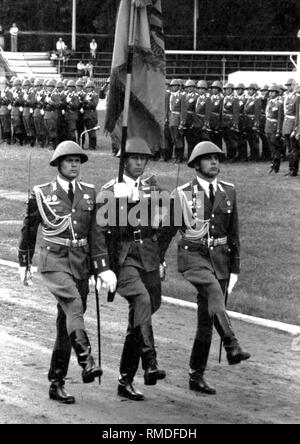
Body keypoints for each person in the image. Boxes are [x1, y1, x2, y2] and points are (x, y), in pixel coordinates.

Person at [18, 141, 115, 404]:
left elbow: (95, 235)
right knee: (74, 302)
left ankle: (56, 381)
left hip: (81, 262)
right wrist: (24, 262)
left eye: (78, 161)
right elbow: (29, 229)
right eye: (69, 161)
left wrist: (101, 268)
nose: (75, 165)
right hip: (54, 260)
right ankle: (87, 359)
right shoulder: (42, 193)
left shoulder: (88, 192)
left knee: (67, 322)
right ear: (58, 164)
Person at [95, 137, 172, 401]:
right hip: (124, 258)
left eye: (143, 158)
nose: (139, 163)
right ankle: (150, 362)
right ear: (123, 160)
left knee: (146, 310)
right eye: (134, 158)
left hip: (148, 256)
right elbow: (99, 234)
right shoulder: (110, 190)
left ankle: (125, 379)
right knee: (141, 300)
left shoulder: (153, 188)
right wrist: (102, 269)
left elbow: (165, 223)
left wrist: (160, 256)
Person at [171, 141, 250, 395]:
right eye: (208, 158)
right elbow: (167, 231)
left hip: (221, 259)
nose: (214, 162)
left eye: (217, 158)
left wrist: (235, 268)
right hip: (193, 256)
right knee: (214, 291)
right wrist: (158, 260)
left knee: (206, 320)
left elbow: (233, 232)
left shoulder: (229, 191)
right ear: (196, 164)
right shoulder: (182, 193)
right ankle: (232, 344)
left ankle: (196, 375)